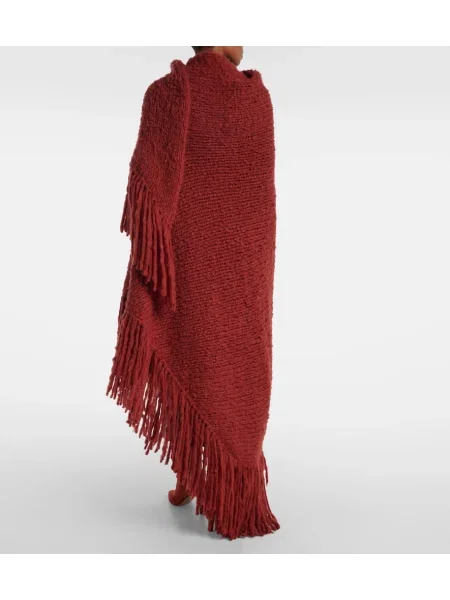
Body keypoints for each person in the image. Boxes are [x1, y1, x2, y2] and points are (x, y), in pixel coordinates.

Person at [106, 46, 280, 539]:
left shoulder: (168, 95)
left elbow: (152, 190)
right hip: (244, 261)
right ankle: (201, 473)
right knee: (232, 355)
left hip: (208, 254)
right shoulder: (255, 101)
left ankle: (210, 474)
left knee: (202, 349)